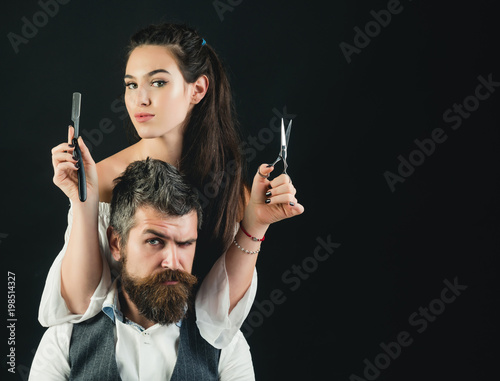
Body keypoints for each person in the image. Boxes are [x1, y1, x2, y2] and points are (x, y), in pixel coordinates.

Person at [41, 23, 304, 348]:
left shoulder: (231, 188)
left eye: (158, 82)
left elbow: (216, 322)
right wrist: (83, 204)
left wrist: (256, 224)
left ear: (198, 89)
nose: (141, 99)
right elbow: (79, 306)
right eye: (131, 85)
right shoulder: (103, 178)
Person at [29, 159, 257, 380]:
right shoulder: (64, 339)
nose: (172, 262)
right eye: (155, 241)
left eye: (185, 243)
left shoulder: (226, 347)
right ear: (117, 244)